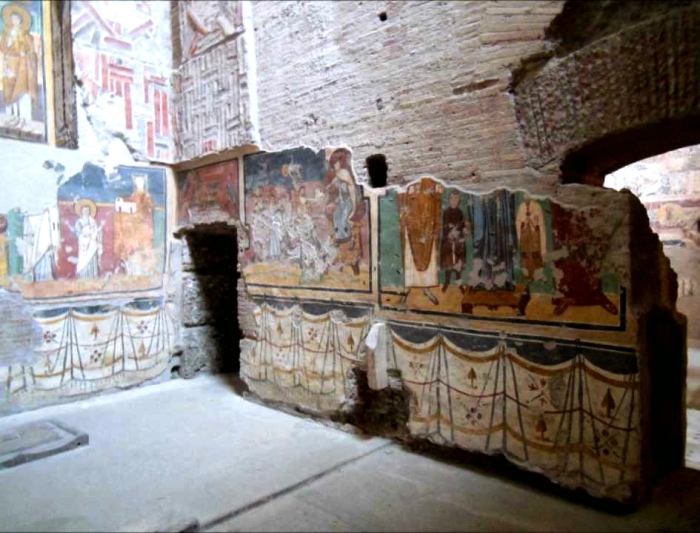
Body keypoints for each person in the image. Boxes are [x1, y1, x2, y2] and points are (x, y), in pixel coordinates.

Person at [397, 177, 443, 305]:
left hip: (427, 215)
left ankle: (426, 287)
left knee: (428, 250)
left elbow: (436, 186)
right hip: (412, 216)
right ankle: (407, 288)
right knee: (410, 251)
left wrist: (436, 190)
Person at [0, 4, 38, 128]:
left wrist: (25, 54)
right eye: (12, 18)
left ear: (21, 20)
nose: (14, 20)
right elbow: (3, 48)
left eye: (17, 18)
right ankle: (12, 117)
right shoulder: (6, 34)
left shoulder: (26, 36)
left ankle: (23, 119)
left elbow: (31, 51)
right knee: (9, 92)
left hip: (22, 67)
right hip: (9, 66)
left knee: (21, 92)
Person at [65, 200, 104, 279]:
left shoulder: (92, 221)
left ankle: (92, 275)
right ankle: (83, 276)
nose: (86, 212)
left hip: (92, 243)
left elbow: (96, 231)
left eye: (87, 210)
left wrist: (101, 226)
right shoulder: (79, 222)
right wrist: (68, 225)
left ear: (89, 211)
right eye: (84, 210)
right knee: (83, 259)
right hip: (84, 244)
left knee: (92, 258)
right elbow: (76, 232)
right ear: (81, 211)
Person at [440, 189, 467, 292]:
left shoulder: (460, 212)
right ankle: (446, 282)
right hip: (448, 241)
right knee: (448, 262)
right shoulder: (446, 212)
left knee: (458, 261)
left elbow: (461, 225)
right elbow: (445, 226)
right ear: (449, 199)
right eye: (452, 198)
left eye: (456, 199)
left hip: (457, 240)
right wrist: (450, 230)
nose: (454, 200)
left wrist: (458, 230)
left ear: (459, 200)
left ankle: (459, 282)